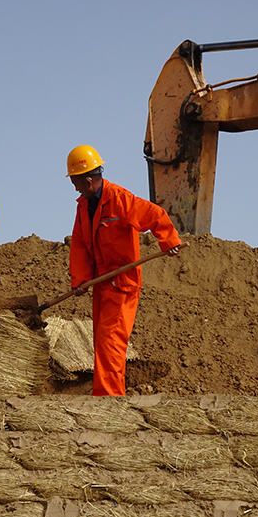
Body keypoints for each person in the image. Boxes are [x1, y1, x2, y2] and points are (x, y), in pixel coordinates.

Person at [66, 145, 182, 397]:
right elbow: (79, 244)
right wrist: (80, 279)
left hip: (122, 283)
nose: (74, 187)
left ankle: (109, 399)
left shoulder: (119, 199)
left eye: (75, 182)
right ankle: (106, 394)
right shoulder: (83, 207)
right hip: (101, 283)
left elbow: (155, 214)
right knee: (102, 342)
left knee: (111, 343)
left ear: (88, 179)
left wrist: (169, 240)